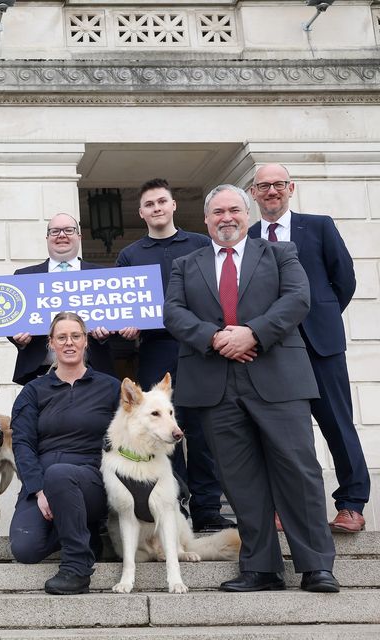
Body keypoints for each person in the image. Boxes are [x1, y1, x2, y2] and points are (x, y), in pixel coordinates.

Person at [164, 184, 338, 593]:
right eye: (218, 212)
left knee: (298, 471)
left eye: (234, 210)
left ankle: (316, 566)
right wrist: (215, 338)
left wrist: (253, 334)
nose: (226, 217)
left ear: (248, 214)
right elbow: (173, 312)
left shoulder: (281, 253)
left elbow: (298, 298)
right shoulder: (186, 264)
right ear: (205, 220)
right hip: (215, 382)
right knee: (240, 480)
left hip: (277, 378)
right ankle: (260, 567)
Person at [248, 163, 368, 534]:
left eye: (278, 184)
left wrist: (321, 319)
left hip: (320, 345)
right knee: (282, 433)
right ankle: (286, 505)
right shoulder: (248, 237)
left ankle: (351, 504)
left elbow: (343, 280)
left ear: (291, 188)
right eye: (264, 186)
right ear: (253, 193)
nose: (272, 191)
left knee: (337, 423)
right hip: (272, 350)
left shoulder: (318, 226)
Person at [114, 179, 232, 533]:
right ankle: (175, 503)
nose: (156, 208)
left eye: (162, 201)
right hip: (155, 350)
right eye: (149, 204)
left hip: (199, 349)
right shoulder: (130, 256)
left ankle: (208, 507)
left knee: (200, 429)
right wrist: (129, 324)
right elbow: (122, 307)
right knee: (163, 431)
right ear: (141, 212)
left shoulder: (201, 244)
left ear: (173, 205)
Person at [9, 312, 120, 595]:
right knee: (25, 548)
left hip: (93, 480)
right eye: (62, 337)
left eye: (75, 336)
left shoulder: (111, 387)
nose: (69, 343)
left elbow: (130, 438)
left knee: (60, 474)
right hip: (44, 482)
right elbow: (22, 444)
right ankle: (86, 535)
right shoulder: (33, 391)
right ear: (51, 344)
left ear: (85, 342)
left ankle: (77, 567)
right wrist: (37, 490)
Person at [10, 213, 114, 385]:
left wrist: (106, 335)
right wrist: (18, 338)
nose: (62, 235)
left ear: (79, 236)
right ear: (47, 238)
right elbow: (11, 320)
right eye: (55, 231)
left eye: (68, 230)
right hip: (41, 374)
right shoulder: (23, 277)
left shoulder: (103, 276)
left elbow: (118, 320)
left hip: (94, 372)